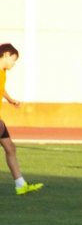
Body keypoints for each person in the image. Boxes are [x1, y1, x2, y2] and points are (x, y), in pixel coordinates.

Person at [0, 43, 43, 195]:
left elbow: (1, 89)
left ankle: (20, 185)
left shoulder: (3, 72)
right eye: (13, 59)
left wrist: (10, 100)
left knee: (10, 148)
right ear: (5, 54)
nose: (13, 63)